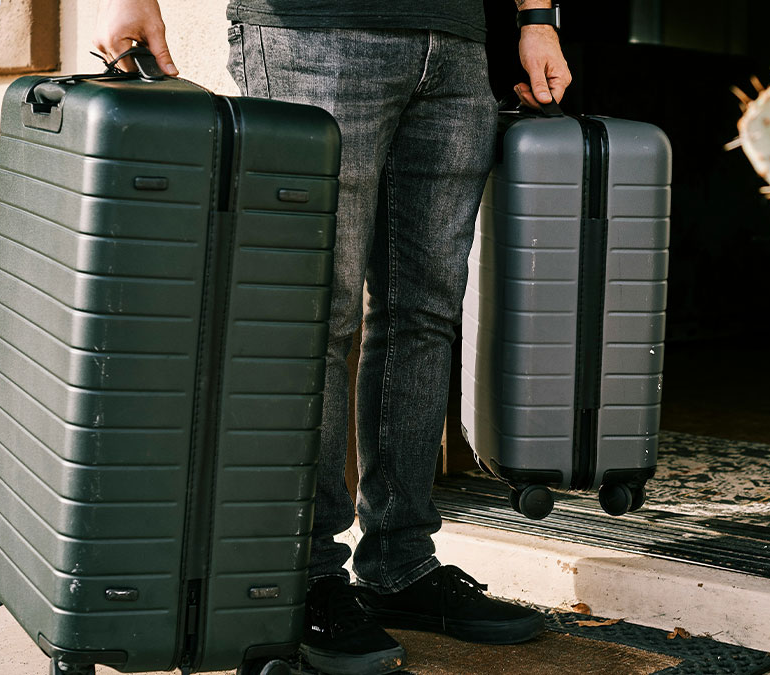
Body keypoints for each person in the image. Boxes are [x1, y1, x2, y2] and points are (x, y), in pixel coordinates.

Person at [95, 2, 571, 673]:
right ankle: (303, 577)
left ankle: (401, 564)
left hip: (455, 42)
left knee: (424, 317)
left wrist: (536, 17)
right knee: (315, 318)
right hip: (311, 33)